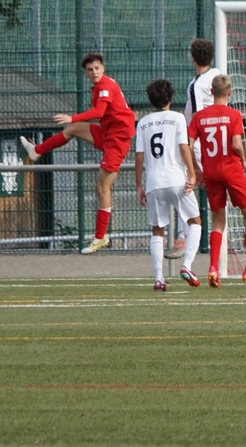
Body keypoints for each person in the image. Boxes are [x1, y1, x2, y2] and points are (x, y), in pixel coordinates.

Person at [20, 53, 135, 254]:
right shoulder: (99, 87)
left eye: (97, 68)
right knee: (73, 129)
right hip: (109, 133)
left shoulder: (105, 86)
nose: (94, 72)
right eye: (90, 70)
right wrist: (73, 122)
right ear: (85, 73)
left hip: (117, 140)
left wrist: (71, 117)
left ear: (103, 68)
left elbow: (99, 112)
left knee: (102, 189)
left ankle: (100, 237)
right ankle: (37, 151)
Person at [188, 74, 246, 288]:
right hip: (231, 169)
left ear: (211, 92)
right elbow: (236, 144)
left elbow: (188, 144)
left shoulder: (200, 117)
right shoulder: (234, 115)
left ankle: (213, 267)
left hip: (211, 172)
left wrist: (195, 167)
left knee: (218, 220)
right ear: (230, 93)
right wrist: (243, 158)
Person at [135, 79, 203, 291]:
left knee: (157, 230)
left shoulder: (143, 122)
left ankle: (159, 279)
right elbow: (183, 147)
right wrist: (191, 173)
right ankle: (187, 266)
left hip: (154, 182)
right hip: (176, 180)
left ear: (150, 100)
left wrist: (139, 185)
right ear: (171, 98)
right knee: (195, 221)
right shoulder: (177, 118)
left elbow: (139, 156)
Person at [165, 38, 222, 260]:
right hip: (218, 139)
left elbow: (197, 118)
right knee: (213, 188)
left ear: (192, 58)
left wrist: (190, 151)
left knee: (186, 184)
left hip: (200, 142)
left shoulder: (196, 86)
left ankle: (183, 237)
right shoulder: (216, 74)